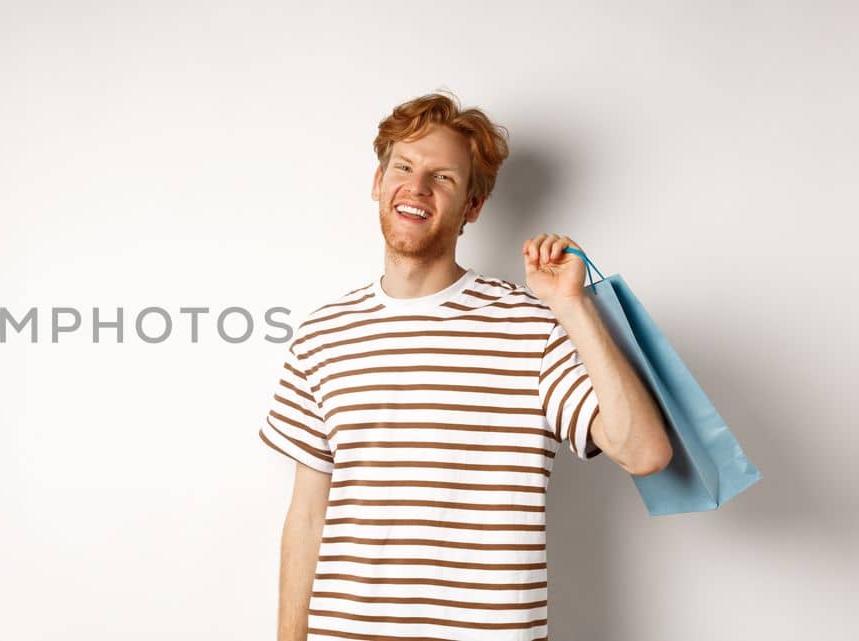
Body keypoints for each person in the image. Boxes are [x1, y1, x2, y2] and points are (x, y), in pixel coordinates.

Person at [258, 92, 672, 641]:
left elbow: (645, 452)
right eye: (403, 167)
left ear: (473, 207)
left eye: (444, 177)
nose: (418, 187)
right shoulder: (322, 334)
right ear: (378, 183)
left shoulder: (531, 326)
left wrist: (571, 307)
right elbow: (307, 519)